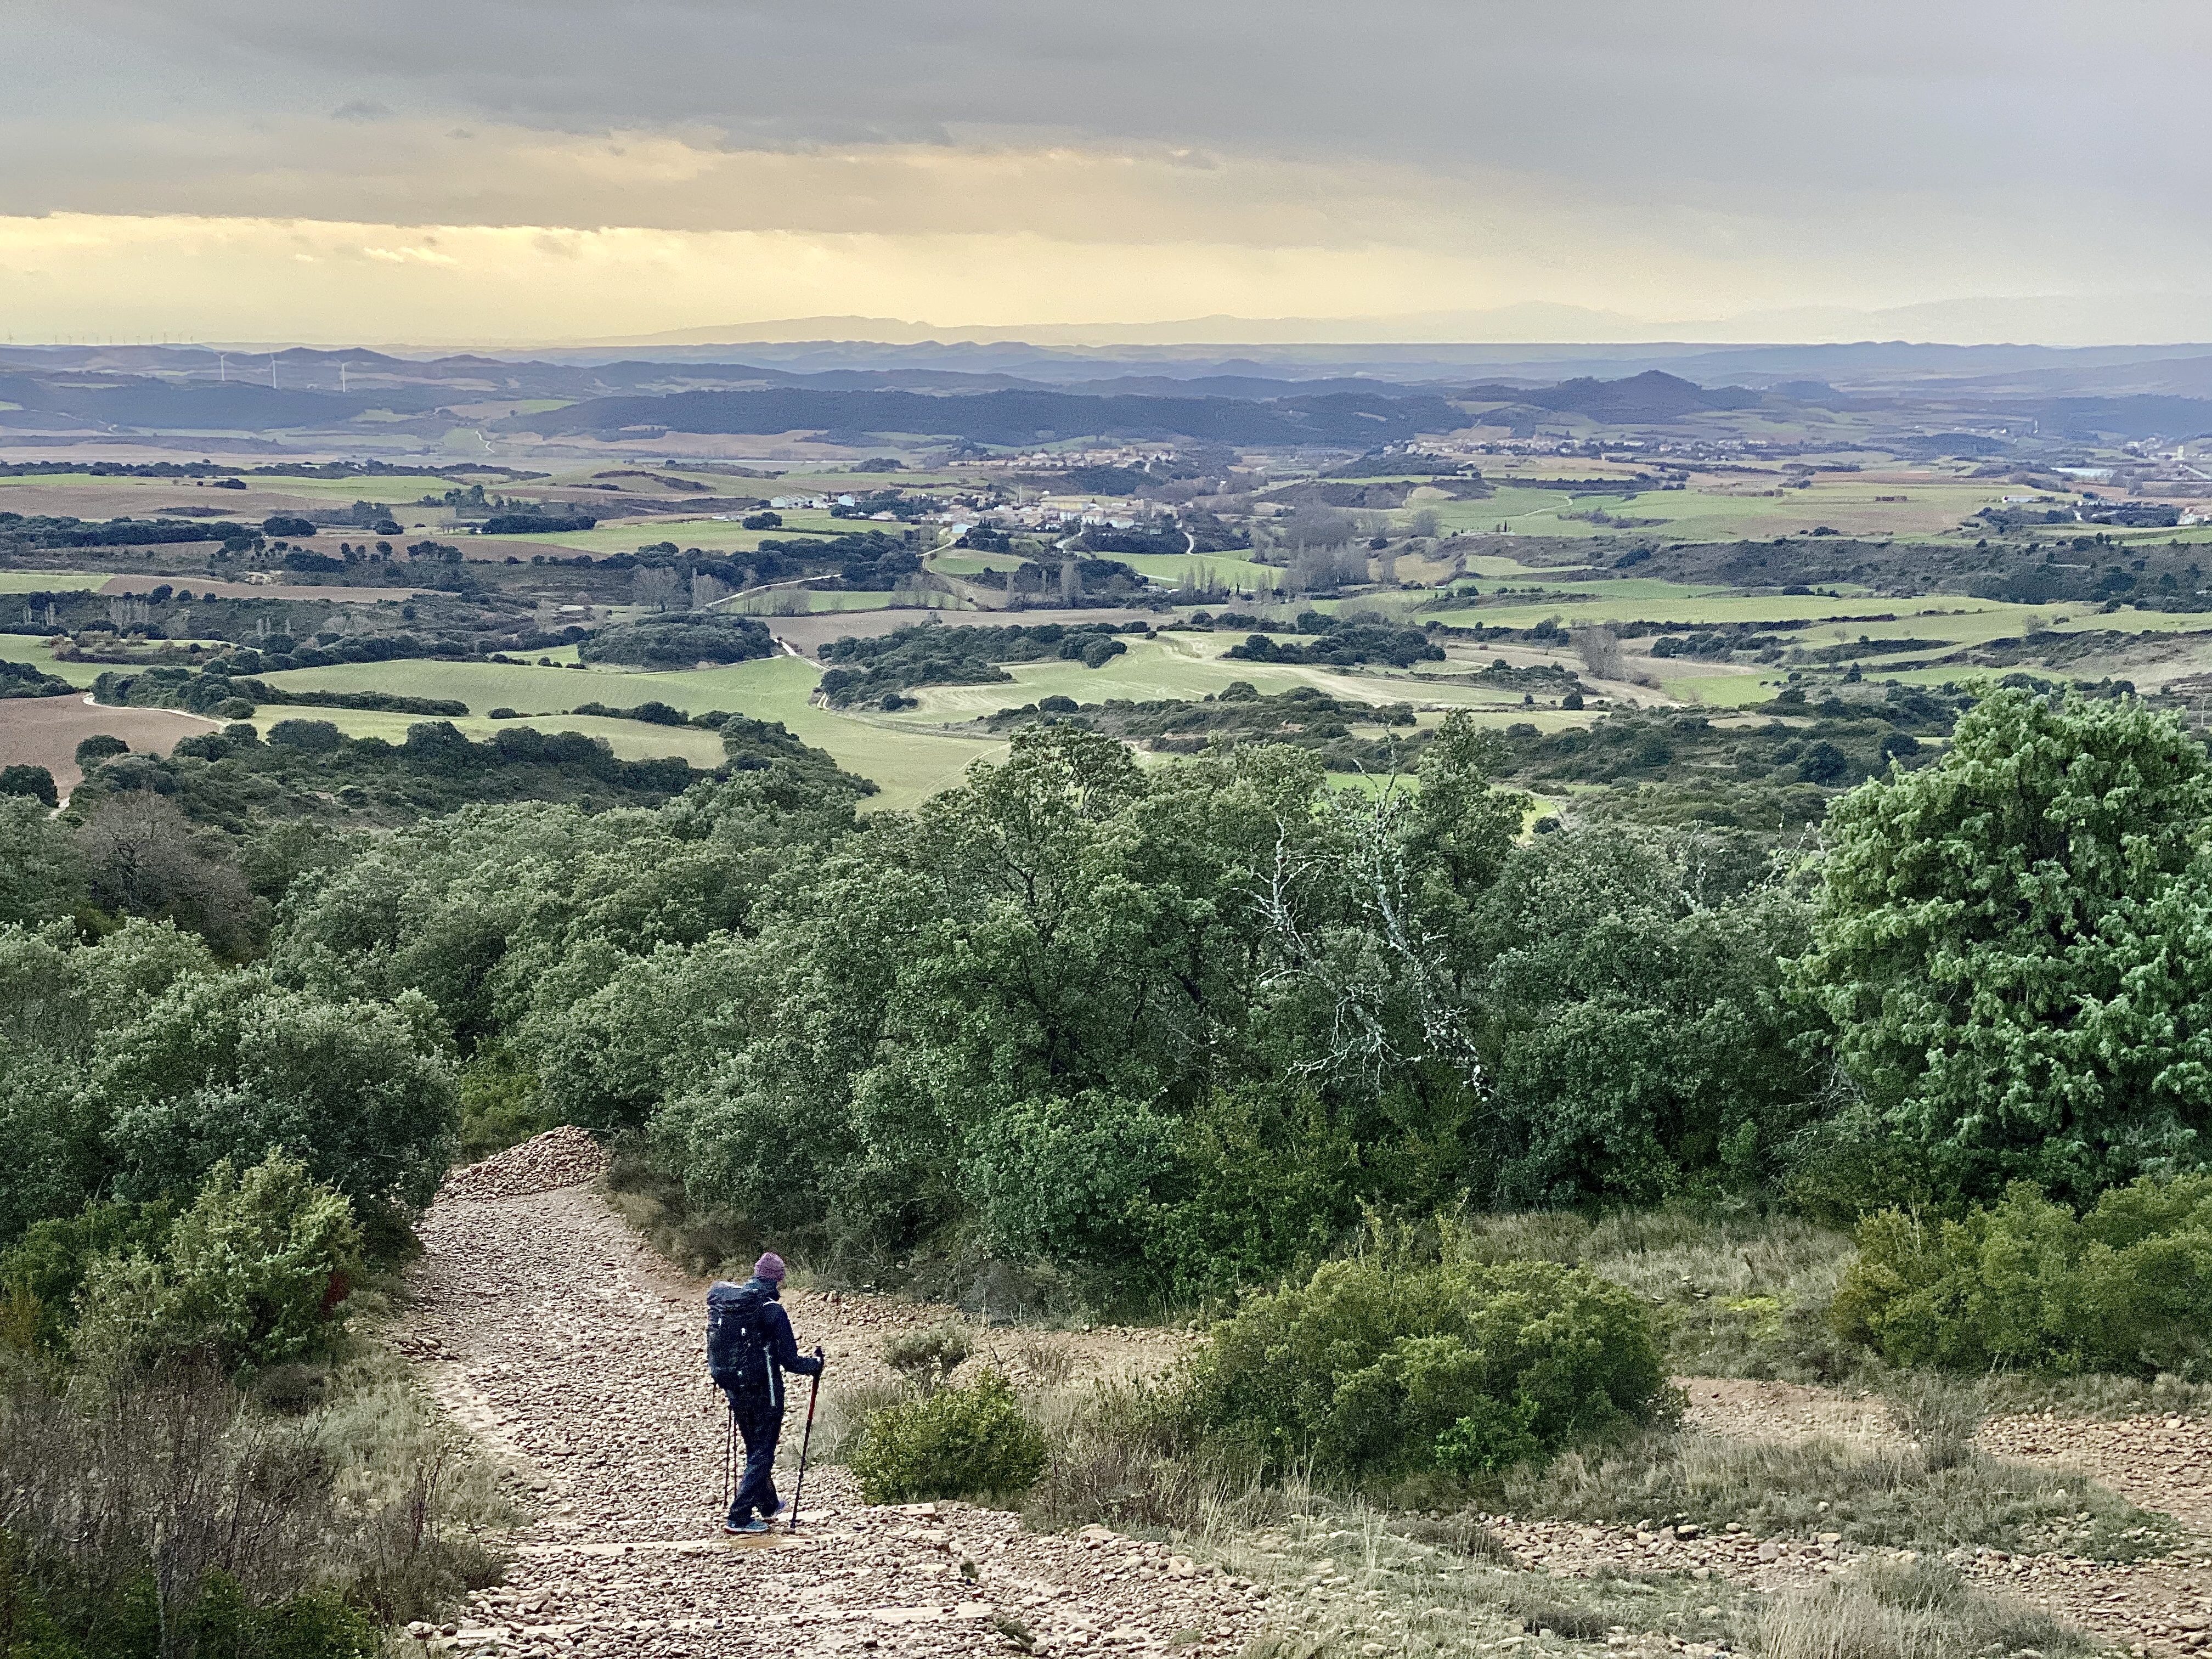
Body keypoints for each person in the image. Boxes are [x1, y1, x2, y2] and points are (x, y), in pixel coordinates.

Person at [708, 1252, 823, 1535]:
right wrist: (816, 1365)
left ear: (756, 1273)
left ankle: (768, 1504)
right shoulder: (772, 1310)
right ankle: (740, 1516)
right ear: (778, 1279)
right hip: (765, 1390)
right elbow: (791, 1362)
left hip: (734, 1386)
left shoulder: (733, 1305)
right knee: (763, 1451)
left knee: (754, 1447)